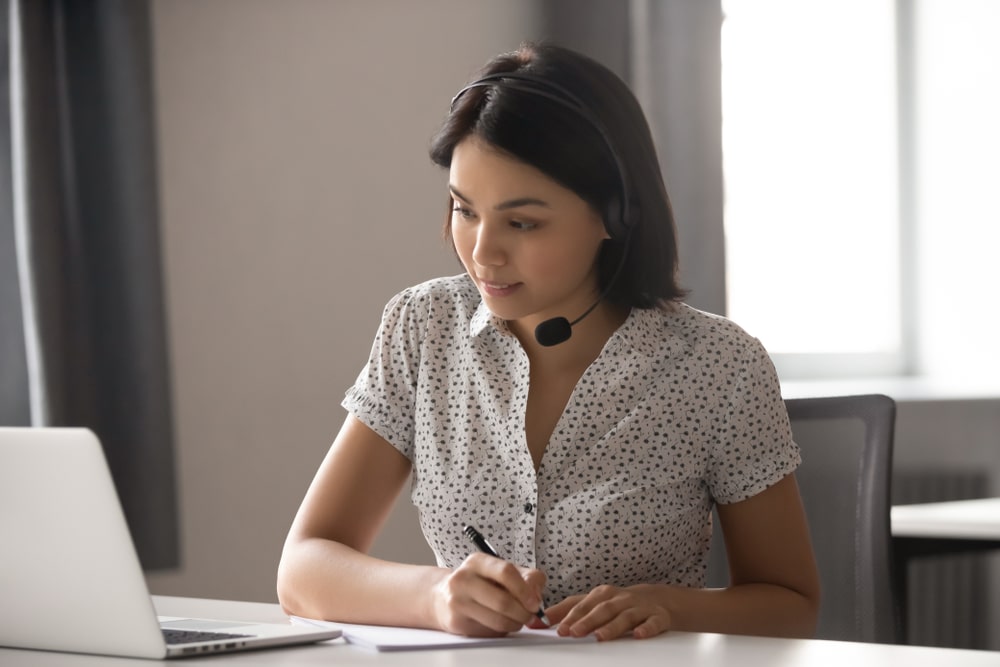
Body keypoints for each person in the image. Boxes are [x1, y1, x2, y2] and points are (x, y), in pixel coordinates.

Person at [276, 42, 820, 642]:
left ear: (615, 214)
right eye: (464, 210)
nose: (483, 252)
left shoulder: (720, 365)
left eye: (523, 222)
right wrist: (434, 596)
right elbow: (304, 569)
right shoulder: (423, 327)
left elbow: (790, 604)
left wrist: (668, 608)